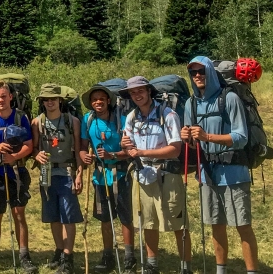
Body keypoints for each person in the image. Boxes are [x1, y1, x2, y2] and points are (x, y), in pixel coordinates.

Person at [181, 56, 259, 274]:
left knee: (242, 225)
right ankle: (220, 270)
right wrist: (187, 138)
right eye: (193, 72)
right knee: (216, 224)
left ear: (210, 72)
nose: (197, 76)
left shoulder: (230, 98)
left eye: (201, 71)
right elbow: (195, 146)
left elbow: (241, 137)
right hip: (207, 173)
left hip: (234, 171)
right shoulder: (191, 103)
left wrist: (208, 137)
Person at [120, 76, 192, 274]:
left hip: (167, 174)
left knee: (178, 222)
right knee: (148, 222)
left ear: (149, 91)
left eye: (140, 91)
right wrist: (125, 147)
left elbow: (175, 149)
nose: (137, 95)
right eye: (133, 93)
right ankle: (151, 265)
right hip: (142, 174)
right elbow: (128, 148)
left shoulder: (168, 115)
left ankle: (185, 267)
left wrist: (142, 153)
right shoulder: (131, 117)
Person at [0, 81, 37, 273]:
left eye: (4, 96)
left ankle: (24, 256)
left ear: (11, 97)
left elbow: (29, 145)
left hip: (17, 173)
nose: (0, 100)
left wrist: (14, 157)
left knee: (19, 214)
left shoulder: (21, 118)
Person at [78, 84, 136, 272]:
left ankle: (129, 257)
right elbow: (82, 147)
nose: (98, 102)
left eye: (101, 99)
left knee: (125, 217)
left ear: (108, 100)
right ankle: (107, 255)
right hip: (100, 176)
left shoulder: (122, 120)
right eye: (94, 99)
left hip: (121, 174)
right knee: (105, 217)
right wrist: (83, 156)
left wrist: (113, 155)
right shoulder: (88, 120)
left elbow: (130, 151)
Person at [31, 84, 83, 274]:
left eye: (53, 98)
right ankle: (59, 251)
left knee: (68, 216)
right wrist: (36, 155)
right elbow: (34, 148)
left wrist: (80, 175)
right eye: (46, 99)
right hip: (47, 174)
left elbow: (78, 150)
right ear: (42, 102)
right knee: (53, 216)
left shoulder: (72, 121)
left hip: (67, 172)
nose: (50, 102)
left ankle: (68, 257)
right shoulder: (37, 122)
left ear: (60, 100)